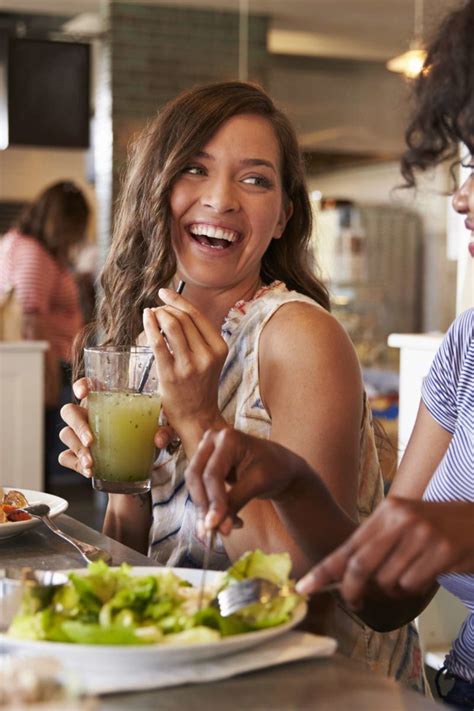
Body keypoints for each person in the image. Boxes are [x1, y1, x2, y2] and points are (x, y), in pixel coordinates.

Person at [58, 81, 423, 689]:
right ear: (158, 189)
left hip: (316, 683)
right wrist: (123, 478)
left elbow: (308, 586)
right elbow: (143, 560)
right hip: (195, 667)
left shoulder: (299, 336)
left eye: (254, 179)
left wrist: (202, 422)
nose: (221, 199)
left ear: (282, 217)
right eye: (194, 169)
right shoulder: (147, 342)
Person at [184, 3, 474, 706]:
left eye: (255, 179)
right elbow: (381, 600)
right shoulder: (467, 344)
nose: (463, 196)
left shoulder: (299, 333)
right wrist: (295, 484)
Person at [0, 181, 90, 485]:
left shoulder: (24, 245)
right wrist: (48, 379)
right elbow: (30, 318)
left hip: (45, 366)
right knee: (40, 457)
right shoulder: (33, 253)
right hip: (46, 368)